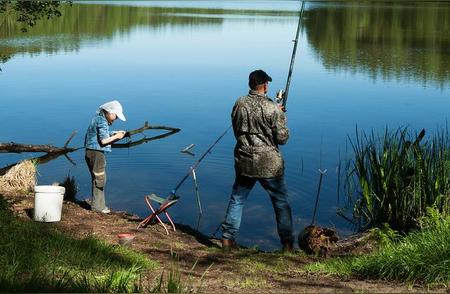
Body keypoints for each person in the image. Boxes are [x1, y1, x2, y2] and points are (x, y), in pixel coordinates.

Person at [221, 69, 294, 252]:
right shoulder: (272, 108)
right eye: (267, 83)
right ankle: (287, 244)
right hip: (269, 164)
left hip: (245, 160)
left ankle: (228, 240)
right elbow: (282, 139)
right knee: (281, 202)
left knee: (237, 199)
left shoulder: (239, 103)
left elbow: (237, 129)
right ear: (265, 86)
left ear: (250, 85)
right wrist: (281, 117)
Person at [84, 100, 127, 214]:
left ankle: (99, 205)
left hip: (91, 152)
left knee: (99, 178)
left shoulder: (98, 118)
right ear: (109, 112)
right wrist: (117, 136)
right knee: (100, 179)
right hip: (96, 153)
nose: (116, 118)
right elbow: (103, 141)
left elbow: (100, 133)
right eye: (116, 116)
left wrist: (113, 133)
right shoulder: (102, 121)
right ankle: (98, 208)